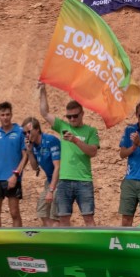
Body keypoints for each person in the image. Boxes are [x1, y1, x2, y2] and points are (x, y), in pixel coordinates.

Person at [38, 83, 98, 226]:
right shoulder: (63, 126)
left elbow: (93, 151)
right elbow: (44, 113)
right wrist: (42, 90)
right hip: (64, 181)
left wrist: (75, 140)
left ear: (82, 114)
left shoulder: (91, 131)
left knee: (88, 217)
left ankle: (93, 247)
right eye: (69, 117)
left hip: (84, 180)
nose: (72, 119)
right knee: (63, 218)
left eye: (75, 116)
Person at [0, 101, 28, 227]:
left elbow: (25, 156)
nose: (5, 117)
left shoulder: (20, 132)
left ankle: (18, 242)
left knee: (14, 212)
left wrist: (15, 175)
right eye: (2, 115)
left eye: (7, 114)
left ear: (11, 115)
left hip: (12, 178)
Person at [22, 116, 61, 227]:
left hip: (61, 180)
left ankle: (57, 241)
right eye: (25, 133)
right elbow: (35, 167)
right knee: (42, 211)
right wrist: (29, 152)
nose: (27, 135)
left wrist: (51, 190)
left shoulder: (50, 141)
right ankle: (52, 237)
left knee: (55, 216)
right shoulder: (34, 146)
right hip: (50, 180)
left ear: (37, 129)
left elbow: (58, 167)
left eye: (29, 132)